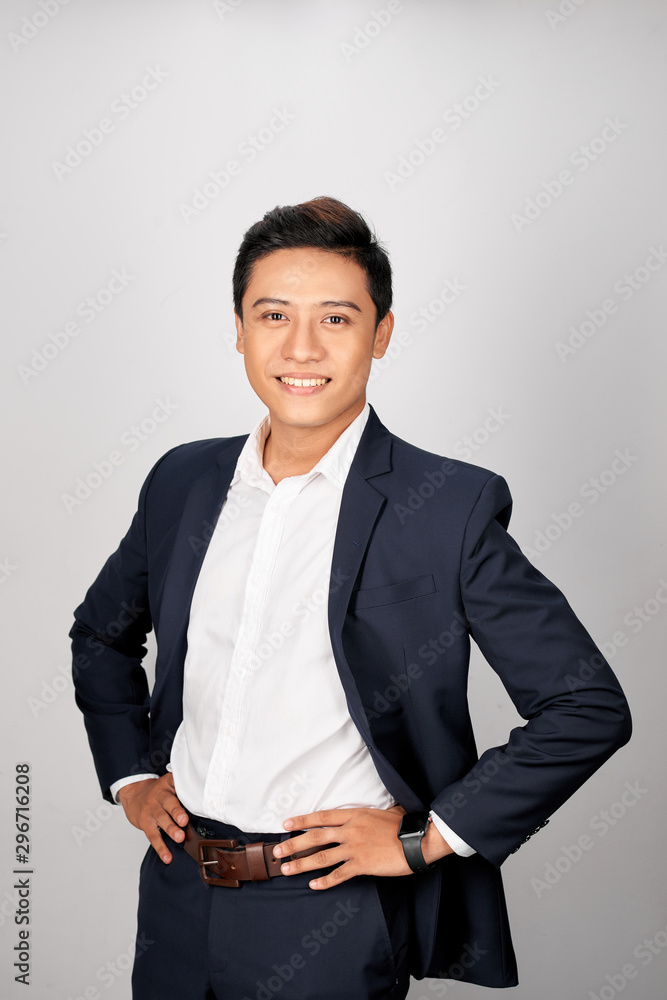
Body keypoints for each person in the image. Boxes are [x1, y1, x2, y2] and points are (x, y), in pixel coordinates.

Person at [70, 196, 631, 999]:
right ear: (239, 329)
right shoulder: (182, 480)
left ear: (381, 333)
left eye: (335, 319)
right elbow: (101, 635)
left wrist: (425, 840)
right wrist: (130, 777)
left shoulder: (446, 507)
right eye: (273, 315)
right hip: (177, 893)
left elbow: (585, 706)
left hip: (329, 913)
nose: (300, 348)